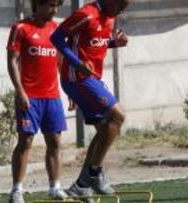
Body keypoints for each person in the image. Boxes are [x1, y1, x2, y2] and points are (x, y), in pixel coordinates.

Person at [51, 0, 130, 201]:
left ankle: (82, 185)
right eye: (121, 6)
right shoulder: (87, 13)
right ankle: (94, 173)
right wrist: (77, 64)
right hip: (76, 77)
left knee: (106, 127)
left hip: (91, 78)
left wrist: (115, 43)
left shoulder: (110, 16)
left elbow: (94, 43)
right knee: (118, 116)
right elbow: (56, 37)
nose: (122, 11)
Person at [6, 0, 67, 202]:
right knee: (26, 141)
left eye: (56, 5)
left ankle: (55, 187)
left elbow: (60, 62)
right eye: (50, 5)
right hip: (29, 97)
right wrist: (20, 91)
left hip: (52, 97)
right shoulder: (21, 28)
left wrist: (69, 91)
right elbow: (12, 61)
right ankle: (17, 190)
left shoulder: (56, 29)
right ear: (37, 4)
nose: (54, 10)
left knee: (55, 142)